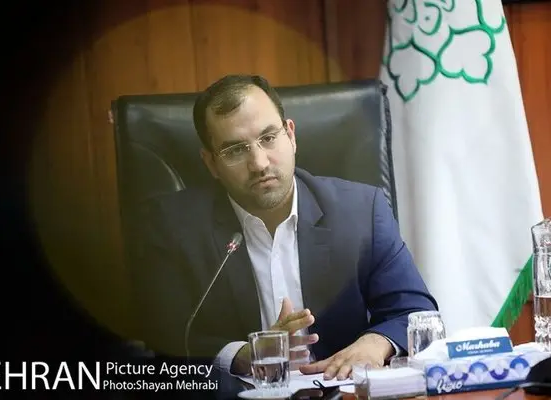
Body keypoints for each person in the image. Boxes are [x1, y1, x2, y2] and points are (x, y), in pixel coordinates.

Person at [133, 74, 438, 381]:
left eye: (268, 138)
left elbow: (415, 311)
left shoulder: (361, 210)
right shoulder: (172, 226)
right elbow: (168, 340)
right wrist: (243, 354)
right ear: (211, 163)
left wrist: (375, 344)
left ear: (290, 135)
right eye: (235, 150)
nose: (259, 163)